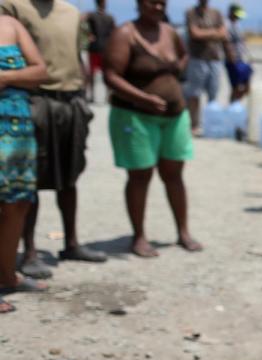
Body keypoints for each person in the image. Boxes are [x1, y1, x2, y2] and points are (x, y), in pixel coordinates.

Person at [3, 0, 108, 279]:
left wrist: (83, 99)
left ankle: (71, 243)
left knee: (71, 175)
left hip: (70, 99)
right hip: (37, 100)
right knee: (31, 179)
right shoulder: (13, 7)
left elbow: (78, 56)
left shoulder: (72, 12)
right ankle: (30, 251)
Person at [104, 0, 201, 258]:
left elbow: (184, 54)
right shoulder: (125, 34)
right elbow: (111, 76)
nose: (157, 7)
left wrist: (179, 69)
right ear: (139, 3)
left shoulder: (169, 31)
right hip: (135, 116)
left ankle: (183, 231)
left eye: (162, 2)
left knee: (174, 173)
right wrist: (143, 98)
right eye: (151, 1)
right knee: (140, 175)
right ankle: (139, 236)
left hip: (174, 115)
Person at [0, 13, 49, 313]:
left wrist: (5, 77)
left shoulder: (11, 24)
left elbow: (40, 71)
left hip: (17, 124)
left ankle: (7, 275)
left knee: (18, 201)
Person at [183, 0, 227, 135]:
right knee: (194, 93)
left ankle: (210, 125)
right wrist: (214, 32)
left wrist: (205, 33)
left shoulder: (217, 13)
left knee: (213, 93)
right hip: (197, 58)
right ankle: (194, 124)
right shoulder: (191, 13)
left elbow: (223, 33)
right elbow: (194, 33)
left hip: (215, 58)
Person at [84, 0, 115, 103]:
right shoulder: (92, 15)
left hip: (106, 50)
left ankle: (108, 96)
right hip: (94, 49)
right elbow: (81, 22)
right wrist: (88, 34)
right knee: (91, 75)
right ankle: (92, 96)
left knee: (107, 75)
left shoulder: (109, 17)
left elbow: (114, 31)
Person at [225, 3, 252, 103]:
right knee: (236, 86)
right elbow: (226, 42)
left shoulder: (236, 24)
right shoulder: (227, 24)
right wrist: (231, 57)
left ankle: (236, 103)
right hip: (233, 60)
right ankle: (233, 106)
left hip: (240, 59)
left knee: (245, 83)